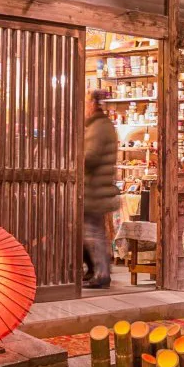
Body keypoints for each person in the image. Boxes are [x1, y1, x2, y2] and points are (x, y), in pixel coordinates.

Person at [82, 90, 119, 289]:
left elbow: (91, 156)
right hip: (96, 188)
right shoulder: (100, 125)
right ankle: (93, 270)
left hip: (95, 189)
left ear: (93, 104)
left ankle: (102, 274)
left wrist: (74, 157)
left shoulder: (99, 127)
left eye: (87, 102)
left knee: (93, 233)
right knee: (90, 233)